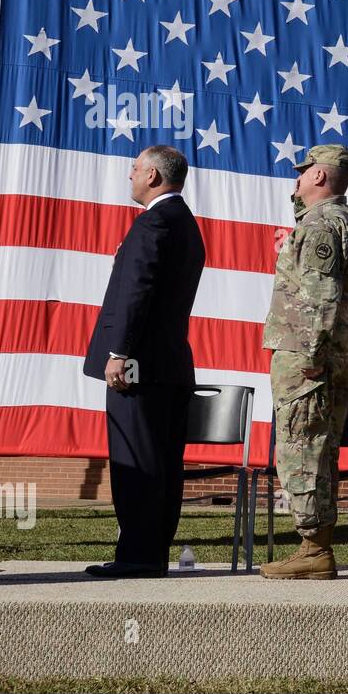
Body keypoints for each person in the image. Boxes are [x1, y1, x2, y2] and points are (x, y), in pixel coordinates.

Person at [83, 146, 205, 579]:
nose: (129, 176)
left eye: (134, 169)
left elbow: (137, 290)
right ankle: (150, 553)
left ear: (152, 175)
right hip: (169, 365)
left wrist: (119, 353)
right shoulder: (186, 224)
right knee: (164, 463)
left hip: (140, 366)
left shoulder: (154, 222)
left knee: (136, 460)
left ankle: (136, 555)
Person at [259, 145, 348, 580]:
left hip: (309, 360)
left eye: (303, 174)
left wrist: (309, 355)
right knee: (319, 450)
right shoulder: (338, 220)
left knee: (301, 450)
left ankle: (312, 547)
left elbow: (319, 294)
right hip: (324, 355)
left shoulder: (322, 224)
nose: (296, 181)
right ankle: (315, 546)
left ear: (320, 177)